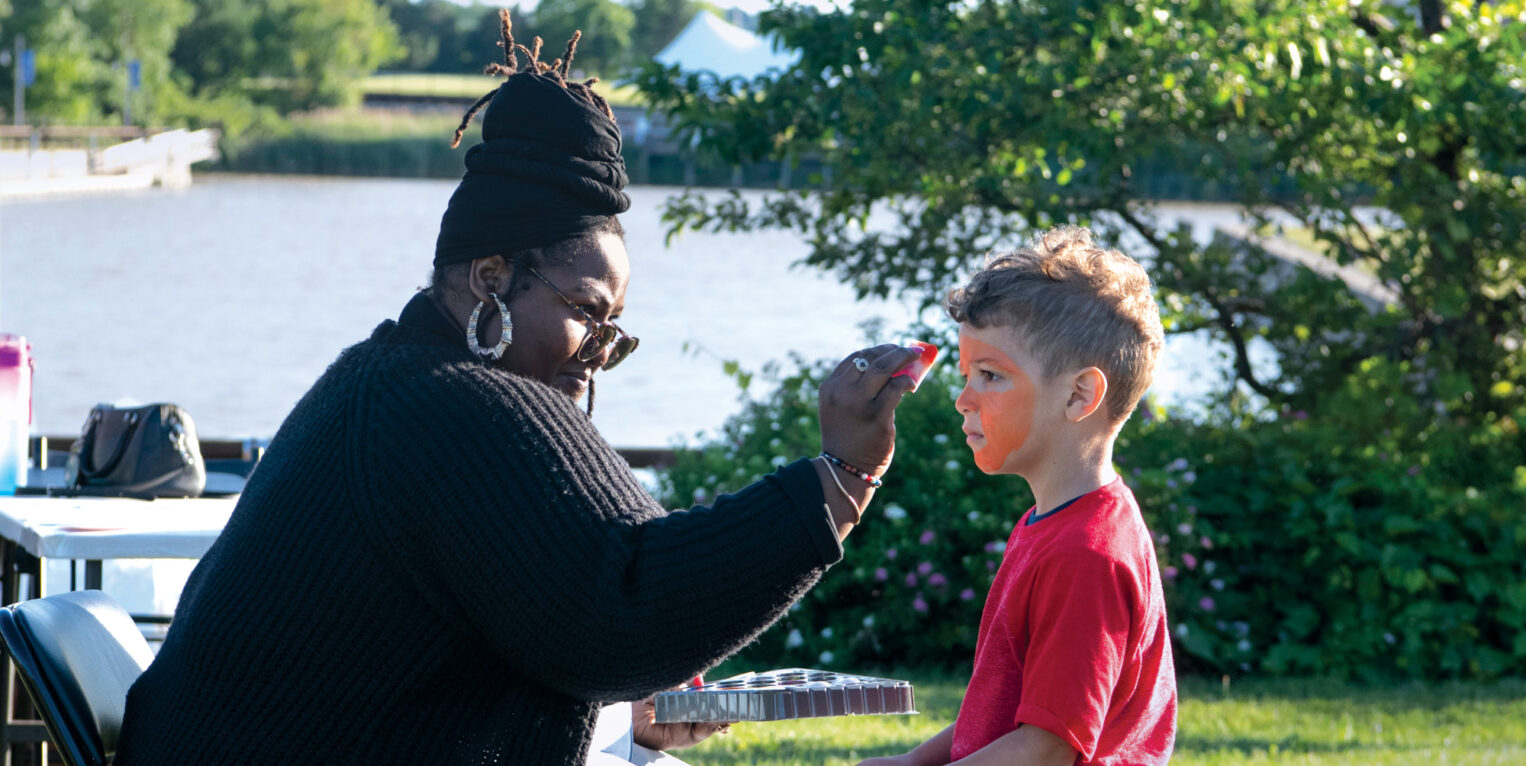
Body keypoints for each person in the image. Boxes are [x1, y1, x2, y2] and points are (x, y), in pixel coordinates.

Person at [115, 14, 922, 765]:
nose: (598, 352)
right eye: (585, 313)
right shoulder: (456, 403)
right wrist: (840, 472)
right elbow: (628, 598)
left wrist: (624, 716)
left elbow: (513, 628)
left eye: (616, 331)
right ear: (491, 275)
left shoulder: (391, 379)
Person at [860, 226, 1177, 766]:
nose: (963, 400)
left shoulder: (1086, 555)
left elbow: (1045, 749)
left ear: (1079, 395)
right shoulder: (1050, 523)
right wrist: (913, 762)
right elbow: (1007, 709)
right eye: (966, 375)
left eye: (989, 375)